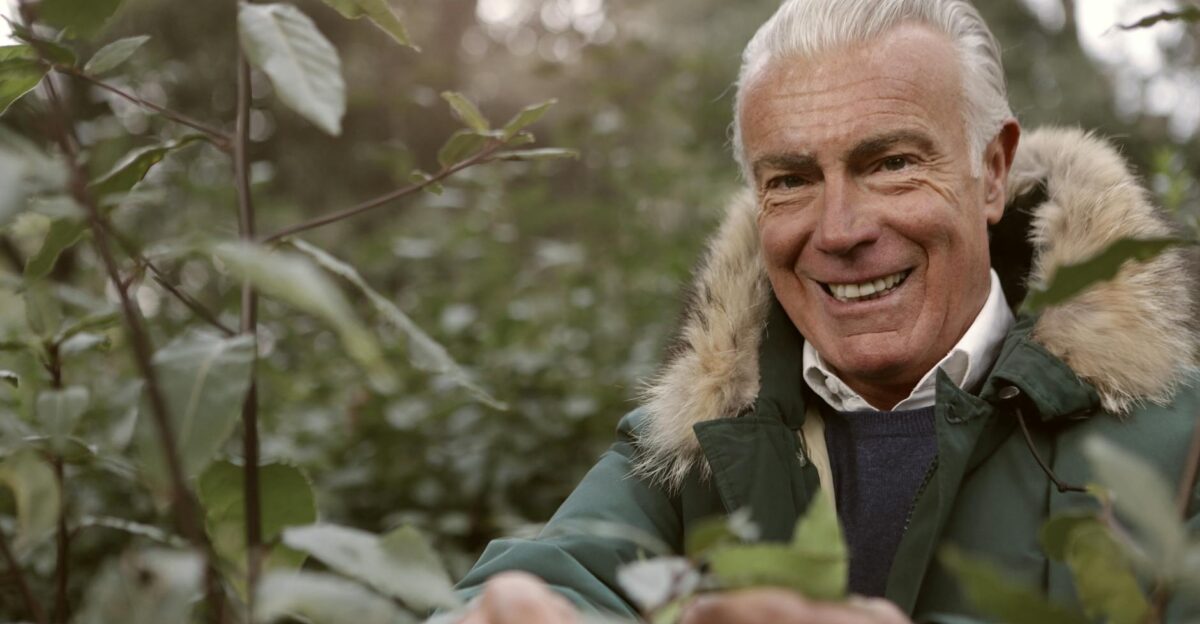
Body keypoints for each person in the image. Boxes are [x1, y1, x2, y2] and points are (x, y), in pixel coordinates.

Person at [456, 0, 1200, 622]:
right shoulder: (698, 450)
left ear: (992, 172)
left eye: (892, 164)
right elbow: (559, 570)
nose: (841, 230)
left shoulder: (1182, 450)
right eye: (792, 179)